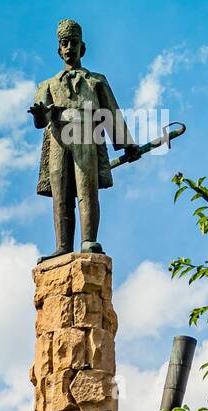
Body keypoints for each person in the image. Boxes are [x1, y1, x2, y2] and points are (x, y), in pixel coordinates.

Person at [29, 18, 140, 257]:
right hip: (59, 139)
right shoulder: (47, 85)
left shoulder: (96, 81)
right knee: (61, 194)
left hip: (86, 136)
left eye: (73, 43)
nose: (69, 47)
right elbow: (41, 120)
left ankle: (88, 240)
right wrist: (40, 113)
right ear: (59, 50)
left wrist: (128, 144)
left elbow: (111, 112)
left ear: (83, 48)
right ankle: (62, 247)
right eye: (64, 43)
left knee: (87, 190)